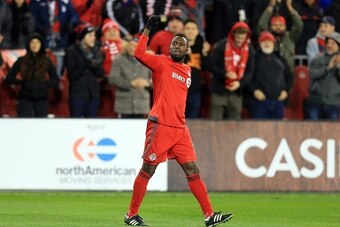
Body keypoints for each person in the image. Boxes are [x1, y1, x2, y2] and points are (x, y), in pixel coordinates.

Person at [123, 15, 233, 227]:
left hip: (180, 128)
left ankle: (209, 216)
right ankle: (131, 215)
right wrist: (147, 29)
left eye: (181, 44)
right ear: (169, 48)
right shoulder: (161, 62)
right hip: (160, 125)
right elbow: (138, 53)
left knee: (192, 169)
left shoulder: (188, 71)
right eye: (174, 43)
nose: (176, 46)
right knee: (148, 170)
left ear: (187, 51)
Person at [5, 33, 59, 117]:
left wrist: (43, 84)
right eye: (32, 42)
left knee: (41, 125)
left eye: (37, 42)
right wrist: (22, 82)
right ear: (28, 45)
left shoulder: (46, 60)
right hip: (25, 98)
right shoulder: (21, 60)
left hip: (42, 98)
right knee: (24, 124)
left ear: (41, 45)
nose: (35, 45)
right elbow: (9, 78)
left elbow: (55, 80)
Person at [209, 21, 255, 120]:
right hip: (219, 89)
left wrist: (240, 83)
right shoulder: (222, 45)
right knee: (215, 121)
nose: (240, 41)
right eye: (238, 37)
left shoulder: (249, 49)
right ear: (233, 34)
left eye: (243, 38)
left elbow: (250, 71)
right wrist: (226, 74)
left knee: (235, 121)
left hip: (236, 91)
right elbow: (211, 65)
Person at [245, 31, 293, 119]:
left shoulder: (281, 58)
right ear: (259, 43)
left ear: (273, 43)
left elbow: (289, 76)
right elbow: (247, 77)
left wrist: (286, 90)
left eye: (269, 41)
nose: (267, 43)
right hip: (259, 101)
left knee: (278, 129)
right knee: (259, 130)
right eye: (264, 41)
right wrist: (254, 91)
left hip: (278, 100)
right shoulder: (253, 58)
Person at [65, 23, 105, 118]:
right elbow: (73, 75)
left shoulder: (97, 52)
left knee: (91, 126)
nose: (93, 38)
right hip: (77, 95)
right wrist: (87, 64)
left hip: (93, 95)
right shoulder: (72, 51)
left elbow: (101, 73)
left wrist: (93, 65)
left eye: (94, 36)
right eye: (90, 35)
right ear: (82, 37)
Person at [108, 36, 151, 118]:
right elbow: (112, 79)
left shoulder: (147, 60)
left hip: (141, 105)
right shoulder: (118, 60)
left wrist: (147, 83)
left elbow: (157, 80)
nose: (132, 48)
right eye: (130, 45)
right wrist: (130, 83)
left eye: (135, 46)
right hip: (124, 105)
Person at [258, 0, 303, 72]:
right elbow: (261, 25)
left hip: (287, 73)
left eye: (280, 25)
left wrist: (290, 7)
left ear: (285, 26)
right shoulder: (267, 36)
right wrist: (271, 5)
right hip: (270, 72)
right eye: (275, 25)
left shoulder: (291, 37)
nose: (278, 27)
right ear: (270, 26)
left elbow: (299, 25)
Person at [306, 32, 340, 120]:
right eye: (328, 43)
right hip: (316, 101)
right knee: (313, 130)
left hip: (334, 102)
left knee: (331, 132)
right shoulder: (317, 59)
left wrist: (337, 67)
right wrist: (328, 68)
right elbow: (311, 74)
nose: (329, 45)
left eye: (333, 43)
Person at [183, 19, 210, 118]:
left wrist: (204, 53)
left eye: (193, 29)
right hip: (180, 90)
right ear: (183, 30)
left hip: (195, 90)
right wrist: (184, 54)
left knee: (193, 121)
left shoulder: (201, 47)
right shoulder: (177, 47)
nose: (190, 31)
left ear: (198, 31)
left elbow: (207, 67)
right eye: (188, 28)